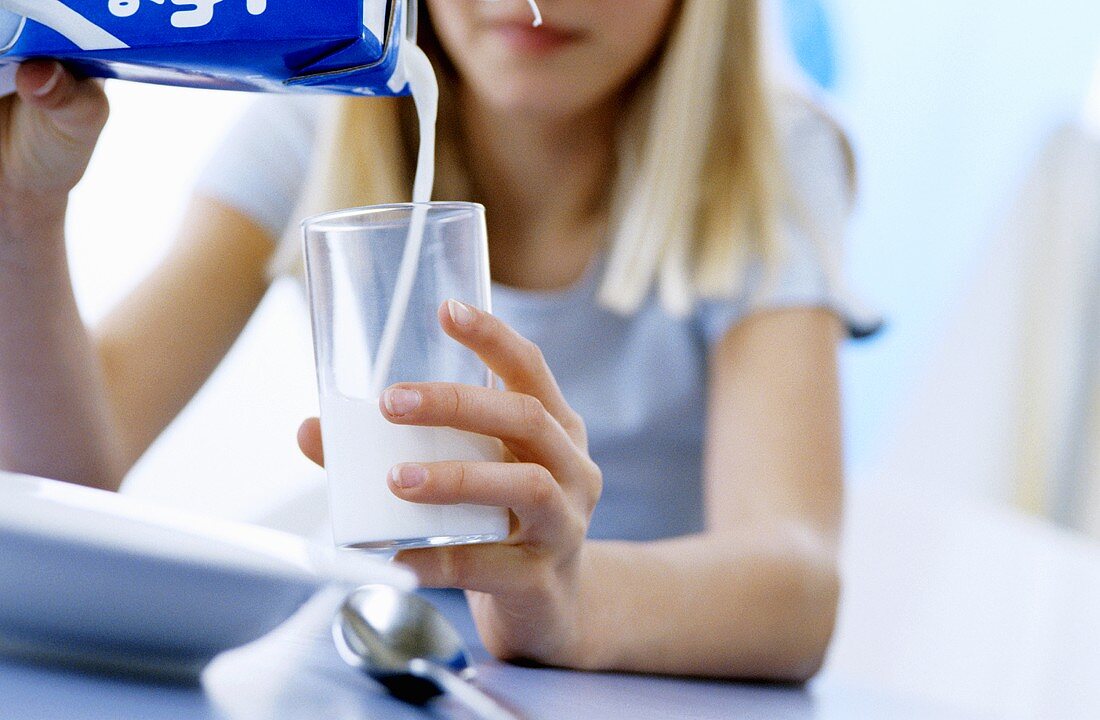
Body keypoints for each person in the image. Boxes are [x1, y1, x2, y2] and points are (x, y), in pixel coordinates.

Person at [0, 0, 870, 680]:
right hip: (382, 654)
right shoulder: (317, 111)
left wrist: (566, 592)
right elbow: (71, 471)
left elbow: (795, 582)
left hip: (633, 667)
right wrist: (23, 214)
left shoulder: (769, 152)